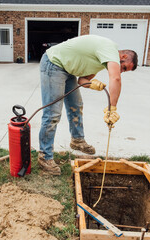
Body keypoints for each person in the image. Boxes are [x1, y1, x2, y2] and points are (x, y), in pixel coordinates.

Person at [38, 34, 138, 175]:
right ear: (123, 57)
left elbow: (82, 81)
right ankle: (45, 157)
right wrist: (112, 108)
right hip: (54, 63)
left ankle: (77, 140)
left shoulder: (101, 60)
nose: (121, 71)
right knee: (52, 113)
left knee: (76, 105)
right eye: (124, 67)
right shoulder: (110, 49)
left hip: (67, 70)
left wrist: (93, 85)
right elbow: (115, 78)